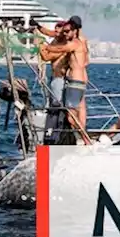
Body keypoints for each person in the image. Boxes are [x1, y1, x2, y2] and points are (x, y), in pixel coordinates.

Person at [40, 15, 91, 145]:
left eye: (68, 31)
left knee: (70, 115)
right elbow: (54, 34)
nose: (65, 34)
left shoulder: (74, 43)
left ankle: (85, 139)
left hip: (75, 82)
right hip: (81, 81)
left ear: (75, 30)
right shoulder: (83, 41)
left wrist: (43, 46)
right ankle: (84, 138)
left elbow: (60, 48)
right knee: (80, 109)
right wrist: (38, 27)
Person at [36, 21, 71, 144]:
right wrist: (37, 26)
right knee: (52, 107)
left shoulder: (64, 46)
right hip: (53, 78)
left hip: (59, 80)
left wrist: (39, 44)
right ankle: (51, 132)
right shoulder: (56, 38)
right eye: (55, 31)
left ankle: (55, 134)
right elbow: (48, 32)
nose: (55, 33)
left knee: (56, 107)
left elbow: (46, 56)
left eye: (58, 31)